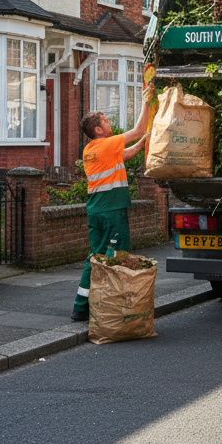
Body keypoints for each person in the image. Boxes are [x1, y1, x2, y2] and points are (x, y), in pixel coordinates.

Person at [71, 85, 155, 322]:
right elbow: (138, 129)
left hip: (96, 210)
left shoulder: (91, 149)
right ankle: (115, 305)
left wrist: (143, 143)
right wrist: (146, 100)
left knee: (96, 256)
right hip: (112, 210)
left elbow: (125, 155)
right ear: (98, 129)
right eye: (106, 120)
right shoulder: (106, 144)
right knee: (117, 255)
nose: (109, 123)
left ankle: (81, 306)